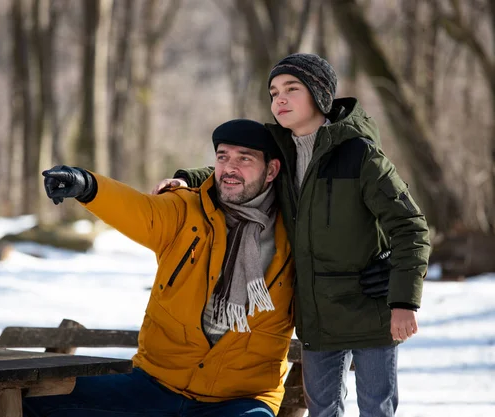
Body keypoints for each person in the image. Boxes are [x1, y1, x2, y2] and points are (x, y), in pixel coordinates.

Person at [153, 53, 431, 417]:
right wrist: (187, 178)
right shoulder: (278, 152)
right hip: (314, 316)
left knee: (377, 409)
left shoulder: (360, 155)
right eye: (273, 92)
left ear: (319, 94)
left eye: (291, 89)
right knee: (320, 410)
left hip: (371, 311)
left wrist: (404, 302)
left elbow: (410, 227)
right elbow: (237, 169)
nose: (279, 99)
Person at [24, 119, 296, 417]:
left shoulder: (295, 237)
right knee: (34, 401)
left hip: (241, 400)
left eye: (244, 158)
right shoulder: (185, 211)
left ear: (271, 170)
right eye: (223, 157)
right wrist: (87, 186)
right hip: (154, 386)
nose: (230, 168)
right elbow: (137, 210)